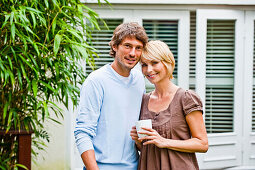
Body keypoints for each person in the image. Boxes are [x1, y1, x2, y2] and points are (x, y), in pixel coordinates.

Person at [74, 22, 148, 170]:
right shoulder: (96, 81)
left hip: (135, 166)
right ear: (114, 46)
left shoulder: (139, 79)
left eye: (138, 48)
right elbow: (82, 133)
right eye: (127, 46)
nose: (133, 53)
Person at [130, 40, 208, 170]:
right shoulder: (143, 100)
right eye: (144, 65)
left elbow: (202, 143)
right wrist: (138, 141)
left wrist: (164, 142)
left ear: (168, 63)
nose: (149, 70)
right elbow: (146, 147)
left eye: (155, 63)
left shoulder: (186, 98)